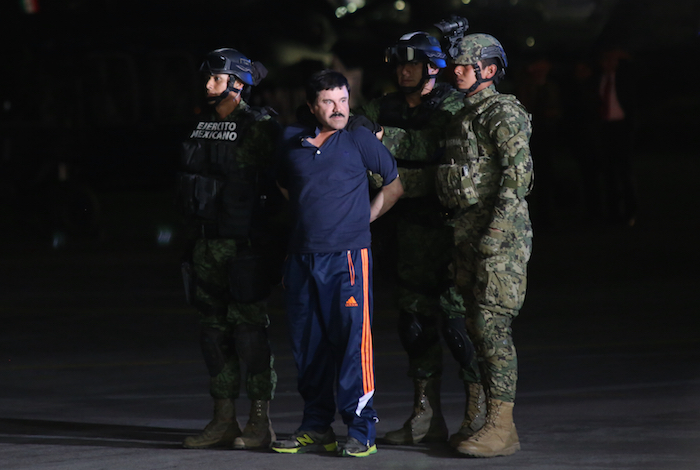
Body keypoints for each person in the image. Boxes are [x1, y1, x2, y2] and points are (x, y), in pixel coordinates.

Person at [353, 31, 482, 446]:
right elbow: (354, 132)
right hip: (407, 234)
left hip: (450, 233)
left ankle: (478, 416)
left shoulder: (453, 106)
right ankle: (425, 417)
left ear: (432, 67)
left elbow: (435, 152)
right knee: (413, 325)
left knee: (459, 327)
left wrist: (385, 153)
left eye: (412, 63)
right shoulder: (383, 106)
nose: (404, 71)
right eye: (399, 64)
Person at [271, 70, 403, 457]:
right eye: (329, 102)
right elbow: (283, 183)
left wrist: (363, 218)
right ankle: (316, 427)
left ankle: (361, 430)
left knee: (351, 345)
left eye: (344, 100)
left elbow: (394, 186)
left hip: (347, 258)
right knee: (307, 345)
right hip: (301, 258)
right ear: (312, 106)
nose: (339, 109)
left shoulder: (359, 139)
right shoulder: (290, 141)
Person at [177, 48, 283, 450]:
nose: (208, 85)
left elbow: (280, 187)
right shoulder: (199, 125)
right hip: (205, 246)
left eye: (217, 78)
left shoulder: (260, 127)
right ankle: (223, 419)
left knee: (250, 335)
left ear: (238, 84)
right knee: (212, 334)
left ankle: (259, 422)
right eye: (207, 77)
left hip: (244, 247)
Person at [435, 33, 534, 458]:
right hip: (467, 236)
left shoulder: (502, 112)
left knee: (492, 328)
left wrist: (496, 234)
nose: (456, 71)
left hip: (498, 241)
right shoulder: (463, 115)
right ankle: (481, 418)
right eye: (455, 64)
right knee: (474, 327)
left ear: (489, 70)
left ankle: (502, 426)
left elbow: (518, 176)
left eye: (465, 65)